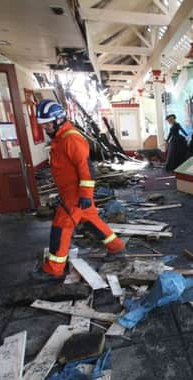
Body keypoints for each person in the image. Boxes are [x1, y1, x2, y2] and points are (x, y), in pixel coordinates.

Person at [31, 99, 125, 282]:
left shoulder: (71, 138)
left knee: (61, 227)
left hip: (75, 196)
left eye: (49, 123)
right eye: (43, 124)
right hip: (71, 194)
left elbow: (86, 170)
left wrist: (85, 196)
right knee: (92, 222)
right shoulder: (60, 138)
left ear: (59, 119)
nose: (46, 127)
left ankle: (54, 269)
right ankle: (117, 248)